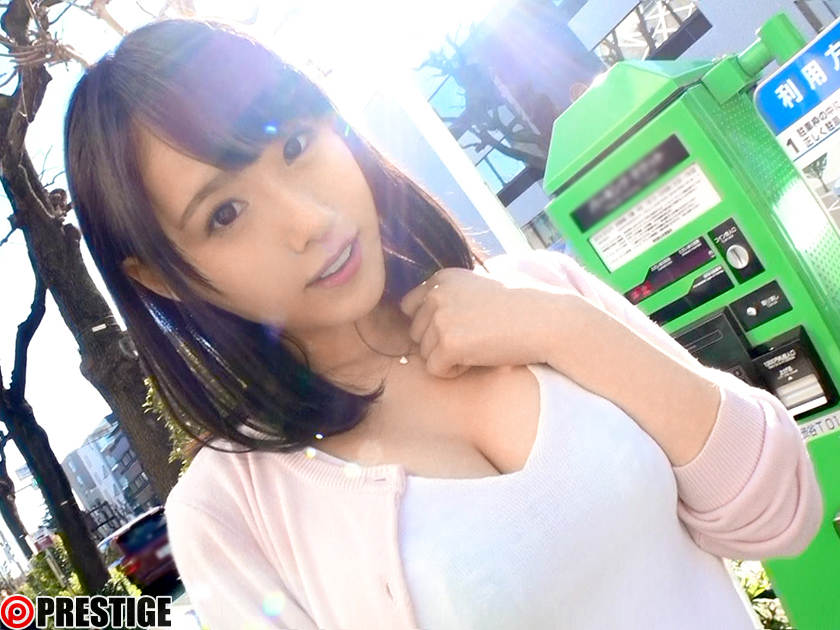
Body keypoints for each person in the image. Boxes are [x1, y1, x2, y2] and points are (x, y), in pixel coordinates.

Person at [62, 17, 823, 630]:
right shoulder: (232, 513)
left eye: (295, 144)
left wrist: (565, 330)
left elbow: (781, 514)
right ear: (156, 274)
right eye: (226, 213)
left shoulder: (537, 291)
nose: (308, 219)